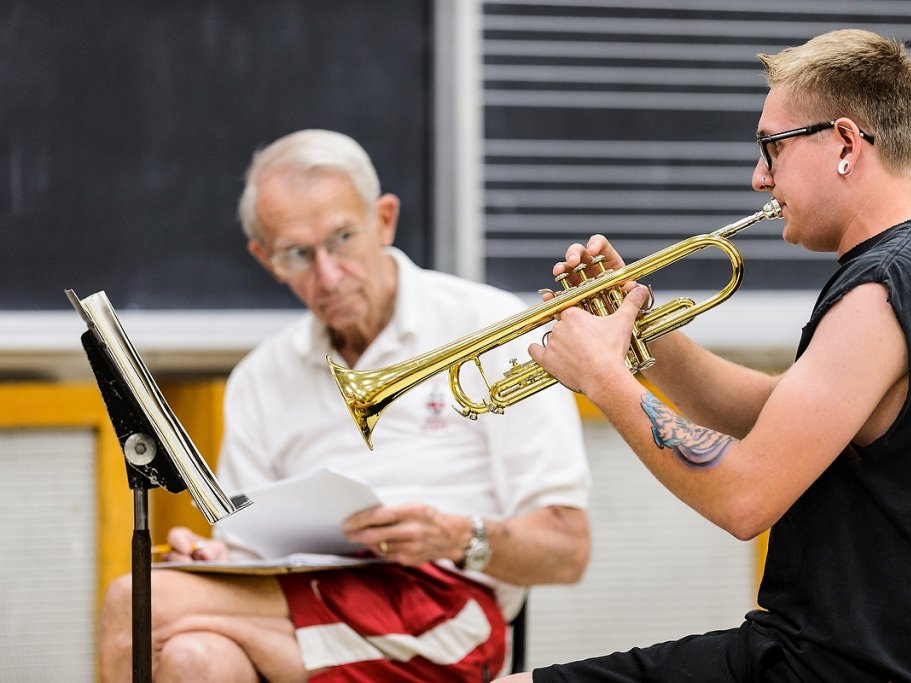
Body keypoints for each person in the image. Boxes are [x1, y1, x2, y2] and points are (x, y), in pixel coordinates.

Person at [498, 29, 911, 683]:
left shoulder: (883, 289)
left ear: (847, 145)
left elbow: (744, 497)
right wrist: (637, 331)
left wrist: (603, 378)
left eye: (771, 146)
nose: (759, 177)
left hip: (820, 668)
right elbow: (772, 413)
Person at [98, 129, 592, 682]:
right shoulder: (260, 377)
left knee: (138, 600)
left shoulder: (492, 325)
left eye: (342, 239)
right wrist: (215, 560)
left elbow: (567, 551)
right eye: (298, 254)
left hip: (447, 611)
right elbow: (251, 548)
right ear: (266, 259)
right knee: (196, 660)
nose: (327, 275)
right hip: (306, 597)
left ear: (384, 220)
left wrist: (454, 535)